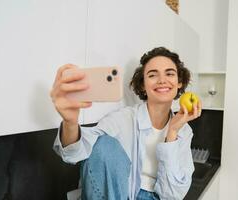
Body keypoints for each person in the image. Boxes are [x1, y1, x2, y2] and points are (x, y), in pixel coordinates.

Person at [51, 47, 202, 200]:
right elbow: (77, 151)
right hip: (119, 194)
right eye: (152, 75)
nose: (162, 80)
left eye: (169, 73)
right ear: (143, 84)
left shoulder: (183, 131)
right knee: (103, 144)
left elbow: (173, 195)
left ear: (179, 83)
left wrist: (172, 133)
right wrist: (70, 122)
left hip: (158, 197)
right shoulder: (124, 119)